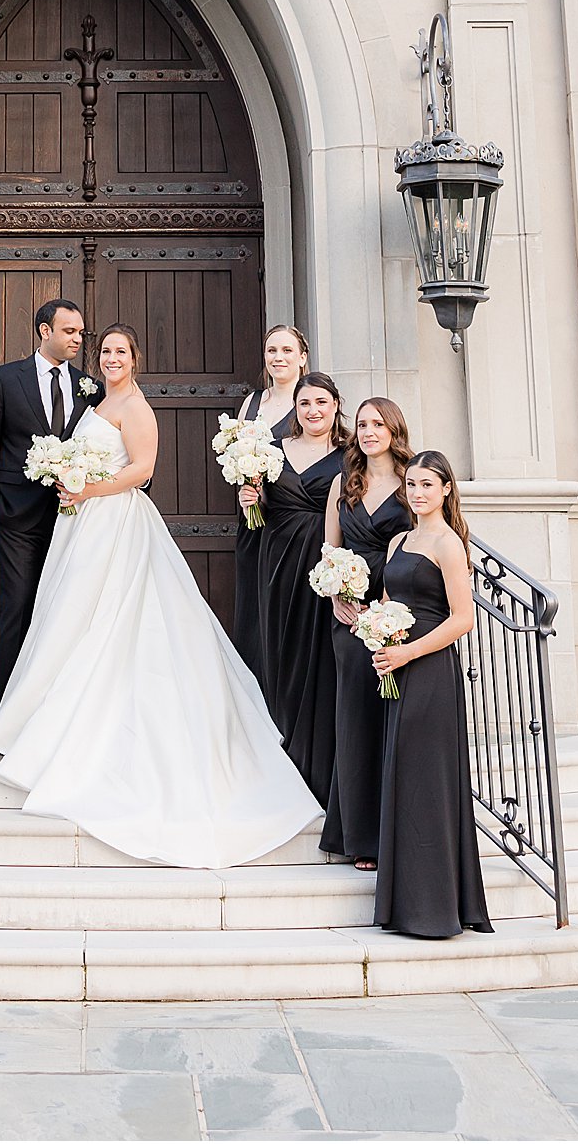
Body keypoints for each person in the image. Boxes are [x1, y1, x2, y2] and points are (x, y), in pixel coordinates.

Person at [0, 323, 321, 869]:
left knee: (109, 619)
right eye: (106, 351)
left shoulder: (136, 405)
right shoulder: (99, 396)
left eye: (121, 351)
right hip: (82, 521)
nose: (112, 358)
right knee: (71, 616)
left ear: (135, 357)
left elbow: (142, 470)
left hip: (114, 520)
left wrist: (86, 486)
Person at [372, 450, 493, 939]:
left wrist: (407, 653)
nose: (418, 493)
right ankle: (405, 907)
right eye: (413, 485)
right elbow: (386, 600)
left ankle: (435, 910)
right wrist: (378, 635)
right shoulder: (399, 539)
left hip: (429, 671)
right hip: (396, 663)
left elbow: (462, 618)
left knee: (428, 780)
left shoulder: (448, 544)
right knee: (402, 775)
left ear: (445, 490)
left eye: (428, 485)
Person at [0, 298, 87, 708]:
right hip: (16, 515)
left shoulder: (87, 385)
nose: (78, 338)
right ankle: (7, 712)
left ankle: (51, 713)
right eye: (69, 331)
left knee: (61, 613)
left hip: (72, 517)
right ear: (44, 331)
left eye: (80, 332)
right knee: (17, 609)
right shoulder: (5, 378)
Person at [320, 397, 413, 867]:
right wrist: (337, 595)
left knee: (392, 724)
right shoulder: (344, 482)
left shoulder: (411, 484)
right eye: (362, 424)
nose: (370, 431)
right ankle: (359, 837)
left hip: (398, 615)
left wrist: (393, 604)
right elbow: (330, 549)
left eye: (379, 424)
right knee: (355, 720)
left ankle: (395, 831)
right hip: (350, 617)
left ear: (395, 430)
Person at [249, 372, 347, 805]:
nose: (313, 411)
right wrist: (252, 501)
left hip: (324, 565)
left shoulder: (349, 457)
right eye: (305, 403)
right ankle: (280, 760)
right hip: (279, 561)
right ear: (296, 409)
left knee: (321, 657)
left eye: (321, 403)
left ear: (335, 406)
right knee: (281, 653)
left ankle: (318, 764)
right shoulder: (272, 451)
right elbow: (267, 503)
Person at [230, 324, 308, 678]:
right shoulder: (251, 402)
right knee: (253, 611)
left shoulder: (309, 405)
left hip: (290, 526)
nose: (278, 358)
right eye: (272, 351)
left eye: (287, 351)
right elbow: (236, 459)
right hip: (254, 523)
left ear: (302, 358)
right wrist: (245, 490)